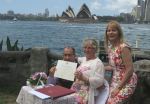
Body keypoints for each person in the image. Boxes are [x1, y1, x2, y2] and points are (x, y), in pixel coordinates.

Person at [104, 20, 137, 104]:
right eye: (109, 30)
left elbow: (130, 69)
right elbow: (114, 66)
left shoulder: (123, 47)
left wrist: (118, 88)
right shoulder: (111, 48)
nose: (111, 32)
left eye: (114, 30)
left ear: (119, 32)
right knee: (106, 100)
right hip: (115, 79)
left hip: (127, 81)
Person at [71, 38, 105, 104]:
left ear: (95, 49)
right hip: (75, 89)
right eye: (85, 47)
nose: (86, 50)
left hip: (86, 93)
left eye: (89, 48)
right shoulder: (84, 60)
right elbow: (77, 59)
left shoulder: (98, 63)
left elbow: (100, 81)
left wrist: (83, 78)